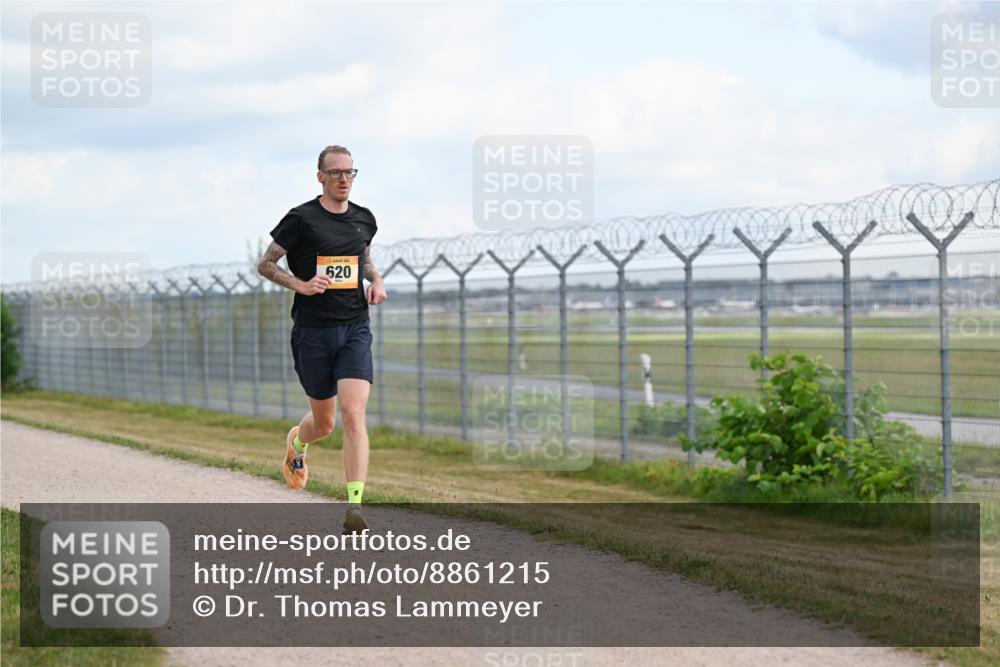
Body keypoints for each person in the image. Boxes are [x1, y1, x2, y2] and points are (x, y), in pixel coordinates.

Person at [257, 145, 387, 534]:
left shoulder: (364, 219)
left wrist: (376, 280)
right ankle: (298, 443)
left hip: (354, 328)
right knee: (325, 423)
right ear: (320, 177)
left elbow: (363, 259)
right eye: (335, 173)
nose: (343, 179)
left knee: (353, 413)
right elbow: (265, 264)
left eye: (350, 172)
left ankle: (355, 508)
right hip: (313, 332)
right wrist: (301, 284)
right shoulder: (301, 219)